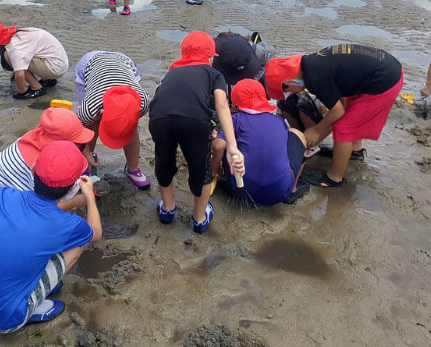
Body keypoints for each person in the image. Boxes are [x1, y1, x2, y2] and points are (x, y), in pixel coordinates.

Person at [0, 141, 102, 332]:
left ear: (33, 171)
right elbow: (95, 233)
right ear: (72, 189)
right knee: (78, 244)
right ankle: (32, 308)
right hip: (3, 319)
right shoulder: (68, 224)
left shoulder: (3, 195)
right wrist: (90, 198)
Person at [265, 44, 403, 188]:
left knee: (344, 129)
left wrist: (317, 130)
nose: (290, 94)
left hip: (384, 80)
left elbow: (337, 111)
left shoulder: (314, 78)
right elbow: (342, 101)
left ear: (288, 82)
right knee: (351, 112)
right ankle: (355, 152)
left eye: (287, 91)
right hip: (385, 66)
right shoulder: (311, 63)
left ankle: (334, 178)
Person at [149, 32, 245, 233]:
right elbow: (221, 104)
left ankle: (167, 209)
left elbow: (163, 94)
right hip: (193, 121)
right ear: (210, 58)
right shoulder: (214, 74)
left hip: (159, 117)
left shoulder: (171, 71)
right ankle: (199, 218)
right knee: (200, 168)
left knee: (163, 160)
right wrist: (232, 146)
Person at [0, 107, 95, 247]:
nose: (80, 147)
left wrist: (84, 154)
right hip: (0, 225)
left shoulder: (37, 138)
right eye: (78, 145)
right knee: (69, 239)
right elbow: (42, 209)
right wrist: (77, 201)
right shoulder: (35, 166)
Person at [211, 79, 309, 205]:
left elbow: (218, 146)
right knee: (298, 134)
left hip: (239, 190)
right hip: (280, 192)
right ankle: (293, 188)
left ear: (235, 104)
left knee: (227, 141)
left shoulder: (235, 119)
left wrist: (215, 171)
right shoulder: (278, 121)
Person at [74, 51, 151, 189]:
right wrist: (85, 150)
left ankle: (133, 168)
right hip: (90, 64)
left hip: (123, 61)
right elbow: (75, 131)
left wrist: (125, 123)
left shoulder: (143, 102)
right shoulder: (89, 107)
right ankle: (86, 164)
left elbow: (128, 122)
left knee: (130, 125)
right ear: (102, 112)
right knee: (91, 125)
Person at [0, 21, 68, 100]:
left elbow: (19, 74)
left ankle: (36, 88)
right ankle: (48, 80)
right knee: (25, 56)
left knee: (9, 56)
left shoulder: (13, 47)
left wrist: (22, 90)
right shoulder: (18, 34)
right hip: (58, 61)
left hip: (54, 68)